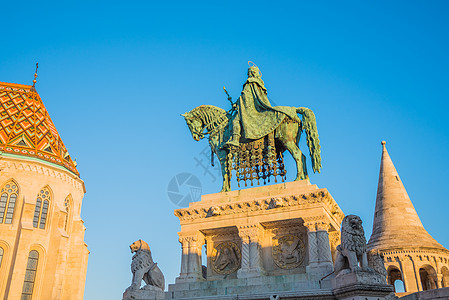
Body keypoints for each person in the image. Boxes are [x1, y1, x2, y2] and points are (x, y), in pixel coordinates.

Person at [225, 64, 298, 148]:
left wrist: (237, 103)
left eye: (249, 73)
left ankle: (235, 140)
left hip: (249, 109)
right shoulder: (260, 84)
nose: (248, 75)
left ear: (251, 73)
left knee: (235, 120)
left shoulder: (249, 82)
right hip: (258, 107)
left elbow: (245, 96)